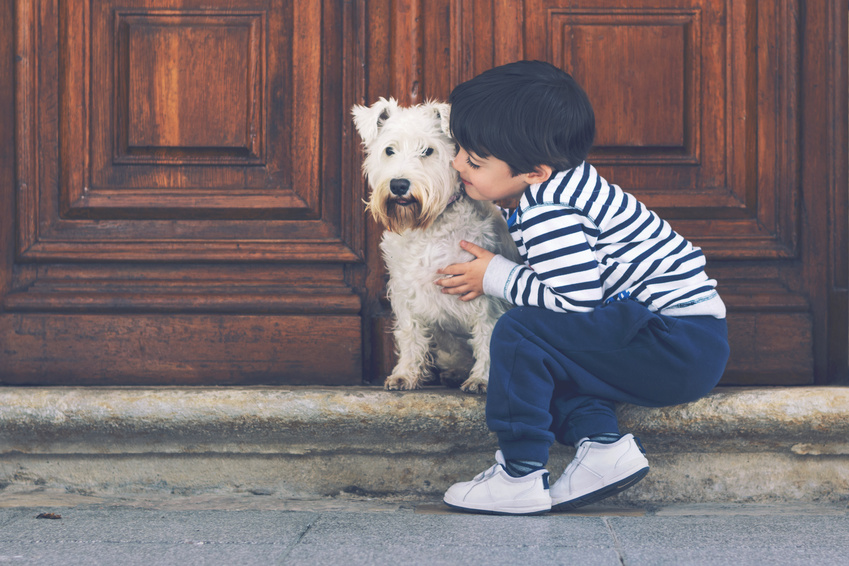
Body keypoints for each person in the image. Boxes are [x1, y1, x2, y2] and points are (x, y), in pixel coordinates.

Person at [436, 60, 730, 515]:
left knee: (520, 333)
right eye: (459, 151)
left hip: (671, 341)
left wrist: (494, 274)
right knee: (550, 356)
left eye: (473, 161)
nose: (457, 165)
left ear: (534, 171)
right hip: (681, 340)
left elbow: (573, 300)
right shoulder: (565, 182)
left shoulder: (549, 208)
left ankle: (519, 473)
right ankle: (603, 449)